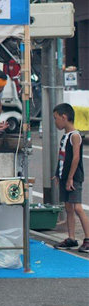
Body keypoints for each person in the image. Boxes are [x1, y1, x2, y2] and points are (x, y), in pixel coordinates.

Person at [53, 104, 88, 252]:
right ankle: (72, 238)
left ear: (64, 117)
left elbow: (75, 158)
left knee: (77, 207)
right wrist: (58, 174)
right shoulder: (66, 135)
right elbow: (63, 157)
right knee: (68, 207)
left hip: (73, 178)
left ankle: (87, 238)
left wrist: (70, 178)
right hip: (64, 176)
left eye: (55, 118)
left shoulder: (75, 135)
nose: (55, 122)